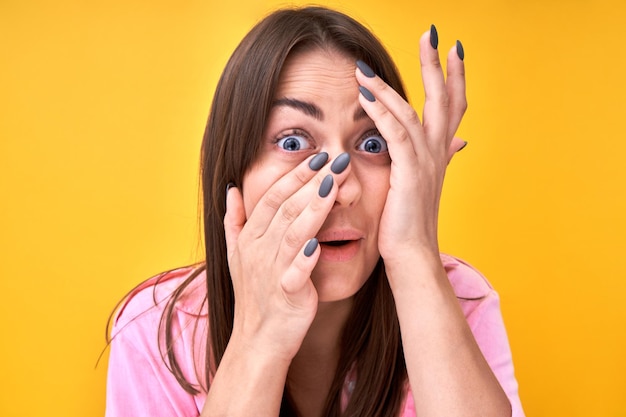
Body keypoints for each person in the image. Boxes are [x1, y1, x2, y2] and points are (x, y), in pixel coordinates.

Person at [105, 6, 524, 417]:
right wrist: (260, 337)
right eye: (292, 142)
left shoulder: (459, 300)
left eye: (372, 144)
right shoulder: (157, 331)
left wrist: (415, 255)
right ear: (234, 175)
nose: (344, 191)